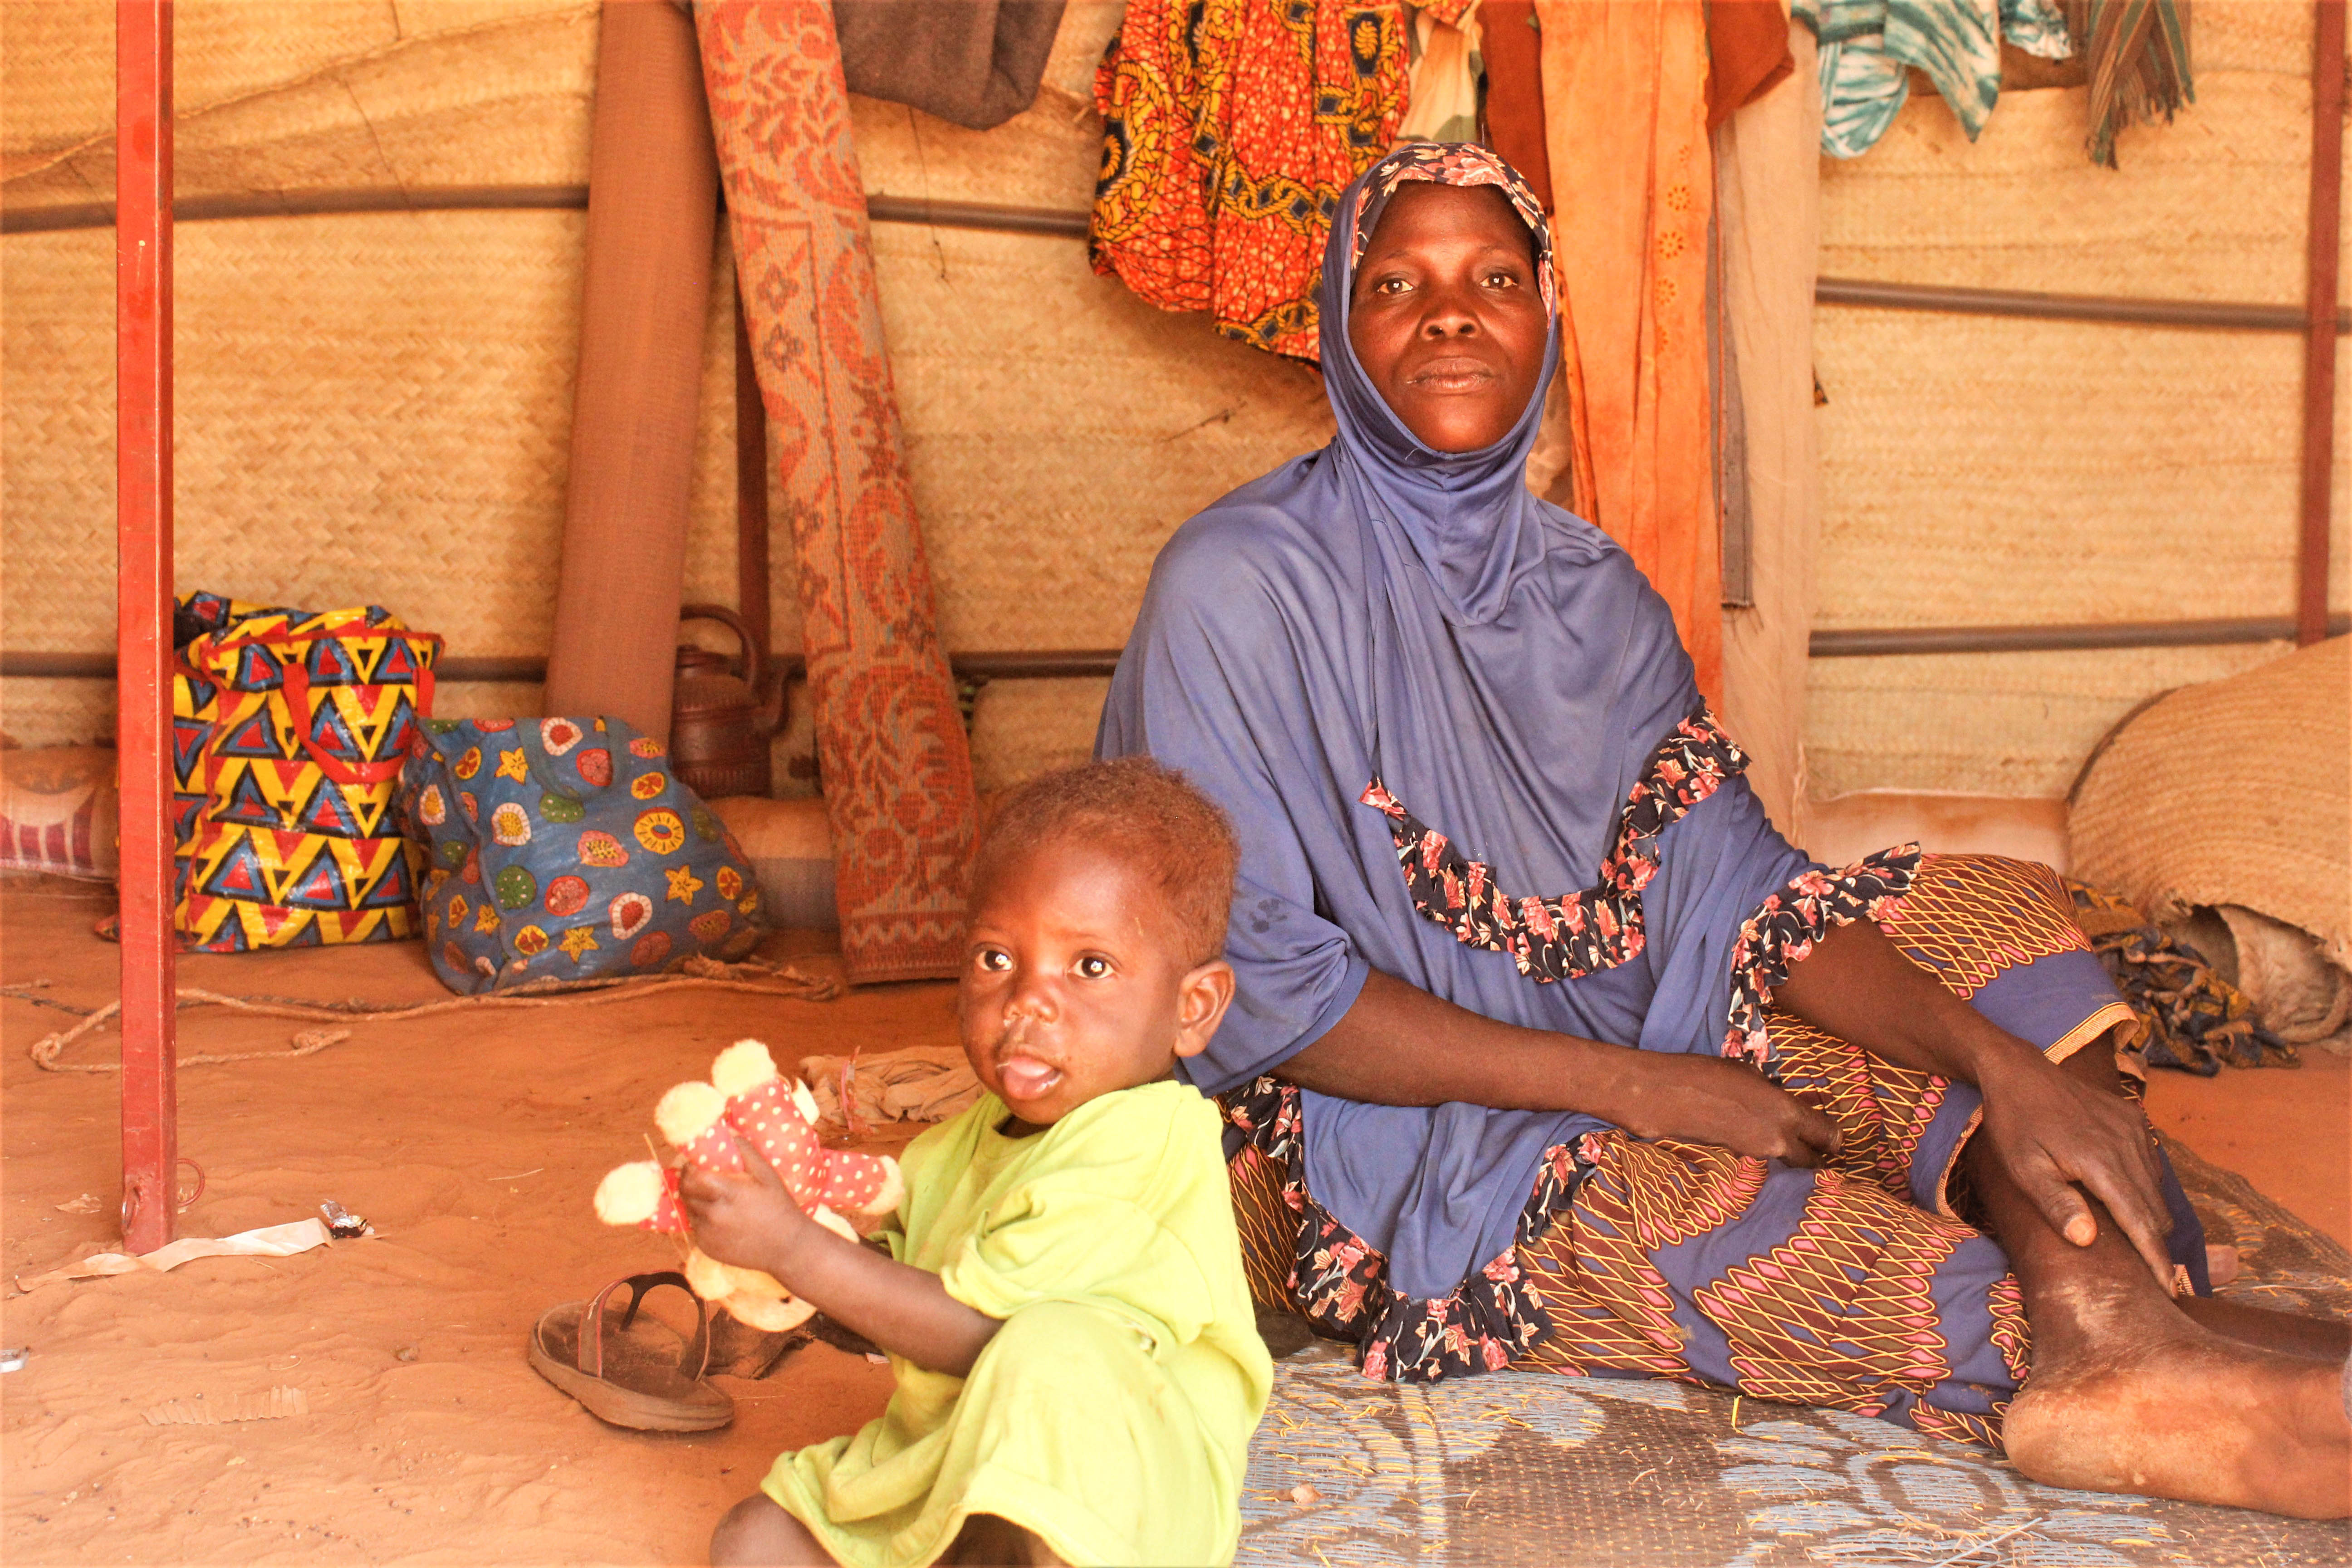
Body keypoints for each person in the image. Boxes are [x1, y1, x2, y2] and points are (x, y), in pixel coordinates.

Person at [1098, 141, 2351, 1519]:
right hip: (1353, 1115)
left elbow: (1740, 890)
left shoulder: (1596, 591)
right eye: (1399, 282)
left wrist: (2007, 1064)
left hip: (1634, 1023)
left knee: (1991, 926)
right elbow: (1256, 991)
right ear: (1340, 323)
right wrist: (1635, 1089)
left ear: (1545, 320)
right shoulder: (1238, 586)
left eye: (1493, 279)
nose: (1450, 312)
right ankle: (2167, 1360)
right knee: (1743, 1230)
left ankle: (2120, 1343)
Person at [686, 759, 1274, 1566]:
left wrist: (793, 1244)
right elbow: (883, 1309)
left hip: (1124, 1493)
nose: (1028, 1001)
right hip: (963, 1453)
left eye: (1090, 968)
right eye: (997, 959)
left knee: (1050, 1344)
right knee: (755, 1539)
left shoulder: (1145, 1142)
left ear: (1192, 1008)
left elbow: (975, 1334)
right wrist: (777, 1260)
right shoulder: (948, 1149)